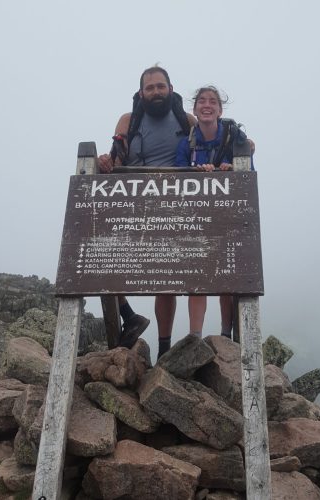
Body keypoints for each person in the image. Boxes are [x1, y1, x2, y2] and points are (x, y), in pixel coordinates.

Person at [98, 66, 196, 356]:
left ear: (171, 88)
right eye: (150, 88)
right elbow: (117, 155)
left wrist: (246, 146)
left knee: (165, 279)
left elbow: (210, 148)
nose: (156, 92)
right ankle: (128, 316)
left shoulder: (186, 120)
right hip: (134, 202)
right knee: (100, 257)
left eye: (160, 86)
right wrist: (106, 161)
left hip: (175, 205)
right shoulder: (129, 120)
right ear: (141, 92)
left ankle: (164, 350)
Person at [175, 85, 253, 340]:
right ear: (194, 108)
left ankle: (226, 336)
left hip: (228, 215)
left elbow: (248, 173)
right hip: (195, 217)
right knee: (197, 277)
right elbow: (177, 178)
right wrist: (197, 174)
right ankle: (194, 339)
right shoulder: (186, 142)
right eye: (201, 101)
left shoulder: (235, 136)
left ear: (220, 109)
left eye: (212, 102)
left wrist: (230, 168)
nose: (206, 105)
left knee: (227, 278)